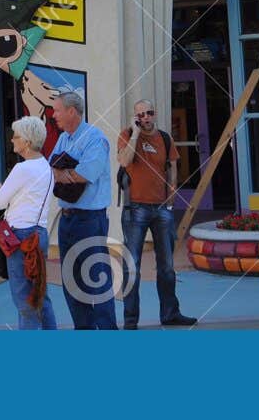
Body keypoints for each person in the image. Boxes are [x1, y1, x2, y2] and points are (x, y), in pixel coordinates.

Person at [115, 100, 198, 329]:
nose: (146, 118)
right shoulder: (127, 134)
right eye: (141, 114)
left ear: (155, 114)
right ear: (136, 117)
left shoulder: (165, 138)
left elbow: (171, 168)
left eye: (149, 113)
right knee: (132, 266)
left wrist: (171, 198)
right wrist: (135, 133)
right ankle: (131, 320)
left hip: (162, 209)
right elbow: (124, 160)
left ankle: (170, 314)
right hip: (135, 209)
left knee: (167, 266)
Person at [48, 90, 116, 330]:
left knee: (96, 276)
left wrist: (61, 174)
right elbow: (50, 170)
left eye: (57, 110)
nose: (53, 114)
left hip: (90, 220)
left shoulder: (95, 139)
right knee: (71, 279)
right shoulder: (64, 138)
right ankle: (83, 329)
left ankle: (107, 331)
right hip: (67, 219)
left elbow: (85, 174)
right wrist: (65, 174)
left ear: (71, 111)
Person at [0, 115, 56, 329]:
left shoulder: (22, 169)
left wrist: (1, 191)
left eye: (16, 136)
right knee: (39, 293)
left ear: (27, 142)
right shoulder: (46, 167)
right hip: (39, 234)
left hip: (20, 236)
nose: (12, 140)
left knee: (23, 298)